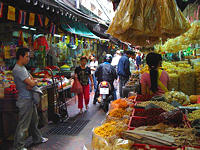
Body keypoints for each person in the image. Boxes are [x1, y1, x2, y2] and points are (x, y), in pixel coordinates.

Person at [12, 48, 48, 150]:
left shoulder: (23, 68)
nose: (28, 59)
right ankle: (18, 146)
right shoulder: (18, 69)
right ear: (21, 56)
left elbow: (31, 80)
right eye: (27, 56)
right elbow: (31, 82)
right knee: (23, 125)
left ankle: (37, 138)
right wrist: (33, 83)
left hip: (29, 98)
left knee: (34, 121)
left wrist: (32, 83)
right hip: (25, 100)